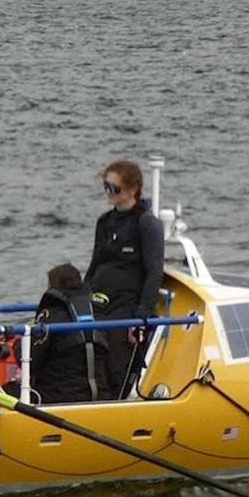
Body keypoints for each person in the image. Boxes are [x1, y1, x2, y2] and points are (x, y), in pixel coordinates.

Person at [85, 160, 165, 400]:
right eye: (106, 187)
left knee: (115, 362)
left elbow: (154, 272)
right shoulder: (104, 222)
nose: (109, 193)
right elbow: (94, 265)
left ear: (133, 189)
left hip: (127, 307)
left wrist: (141, 317)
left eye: (114, 188)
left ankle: (117, 401)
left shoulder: (146, 223)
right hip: (100, 301)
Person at [27, 263, 109, 404]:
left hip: (58, 396)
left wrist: (18, 346)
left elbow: (30, 359)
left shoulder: (51, 318)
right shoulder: (99, 315)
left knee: (5, 390)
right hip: (101, 394)